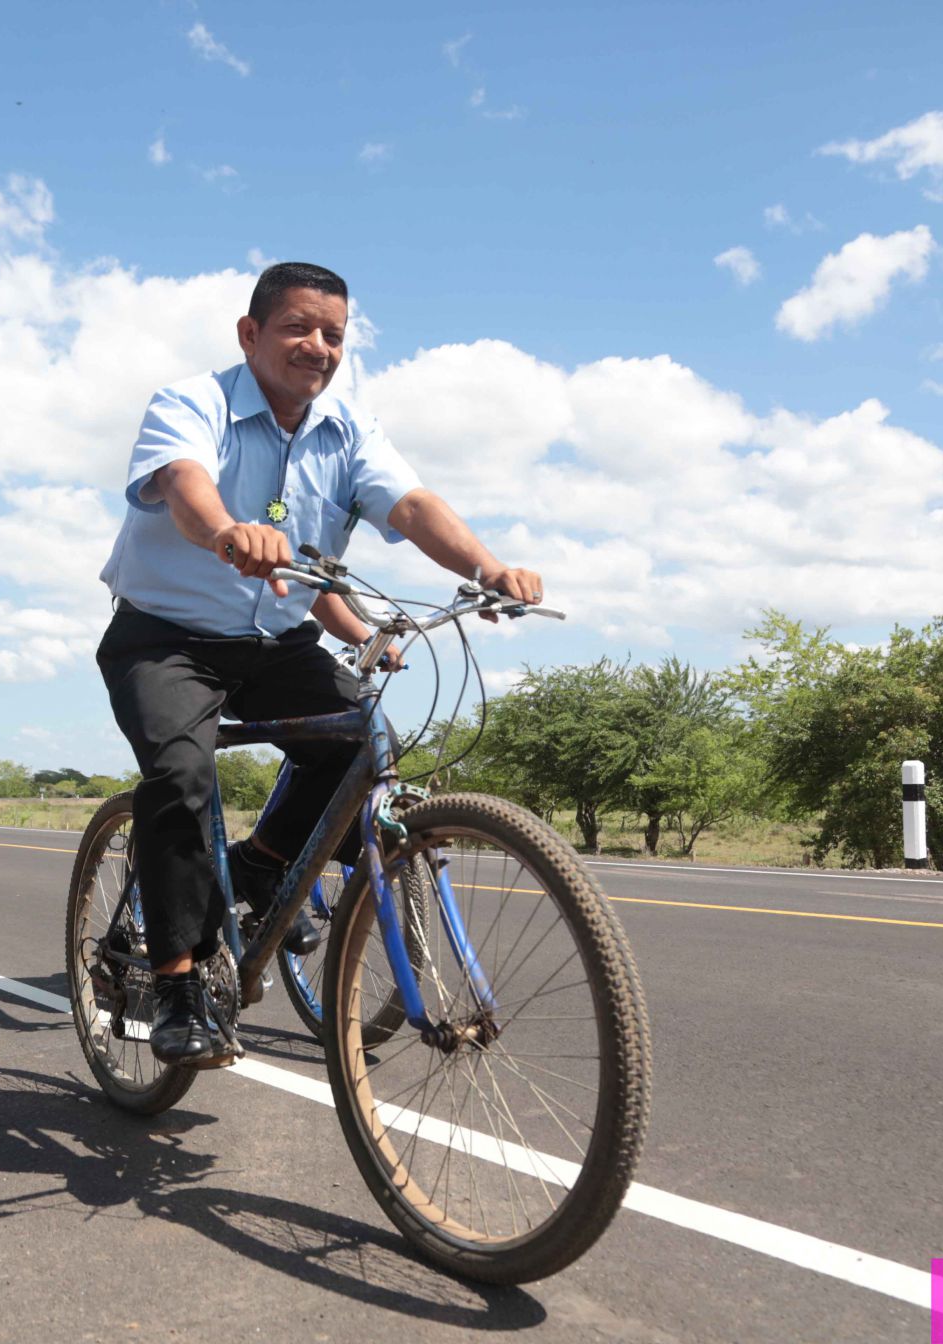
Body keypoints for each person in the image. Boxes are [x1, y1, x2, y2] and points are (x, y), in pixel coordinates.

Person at [95, 261, 545, 1066]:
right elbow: (184, 481)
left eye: (334, 334)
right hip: (165, 636)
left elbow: (410, 506)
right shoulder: (192, 402)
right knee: (181, 779)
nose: (318, 346)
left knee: (359, 749)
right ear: (251, 333)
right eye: (299, 327)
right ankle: (177, 985)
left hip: (274, 641)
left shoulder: (348, 430)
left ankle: (262, 871)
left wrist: (484, 567)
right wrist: (227, 529)